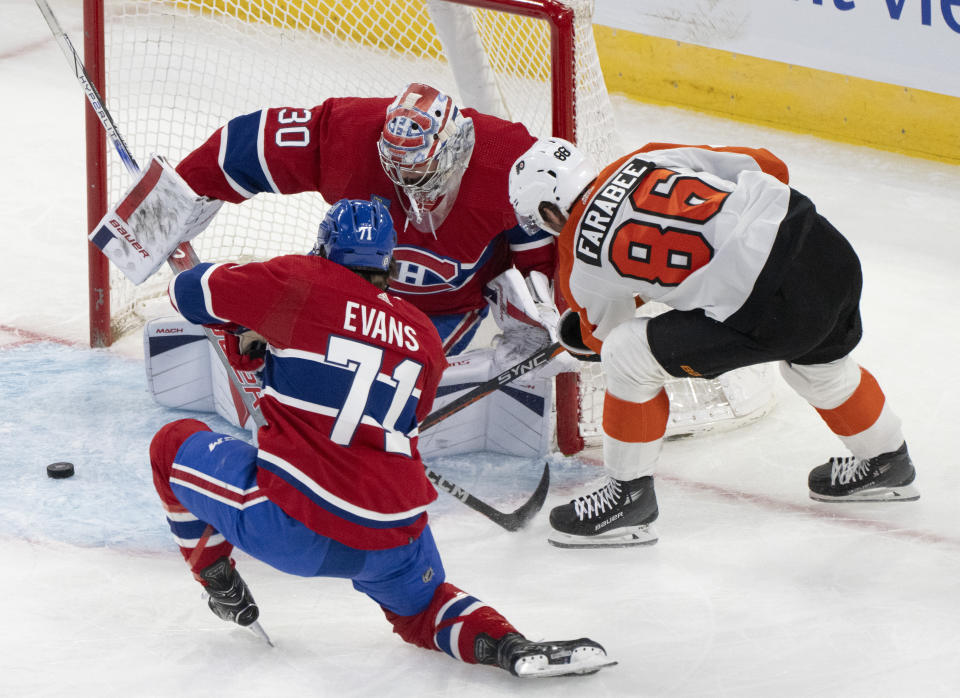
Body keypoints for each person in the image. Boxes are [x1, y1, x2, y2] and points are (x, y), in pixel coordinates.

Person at [147, 198, 614, 678]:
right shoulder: (423, 334)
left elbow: (185, 292)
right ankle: (510, 646)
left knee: (171, 445)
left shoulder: (297, 281)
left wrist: (229, 301)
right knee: (423, 611)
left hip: (297, 525)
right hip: (396, 530)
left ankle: (218, 579)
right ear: (388, 264)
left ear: (324, 248)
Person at [508, 137, 919, 549]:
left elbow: (603, 338)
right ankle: (888, 462)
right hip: (825, 247)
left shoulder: (581, 261)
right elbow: (768, 165)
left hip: (780, 309)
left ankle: (626, 500)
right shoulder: (644, 156)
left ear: (549, 209)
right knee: (818, 367)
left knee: (626, 355)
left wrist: (580, 331)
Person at [141, 81, 575, 457]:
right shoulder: (351, 133)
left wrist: (548, 319)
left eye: (421, 169)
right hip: (343, 289)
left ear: (454, 148)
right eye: (396, 167)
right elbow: (248, 143)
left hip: (443, 309)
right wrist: (172, 202)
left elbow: (546, 249)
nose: (407, 182)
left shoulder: (511, 158)